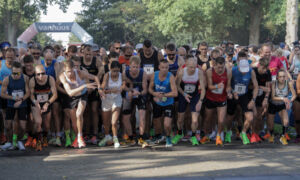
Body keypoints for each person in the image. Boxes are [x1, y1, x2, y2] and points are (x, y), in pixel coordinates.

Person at [59, 60, 100, 148]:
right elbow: (69, 93)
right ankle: (78, 137)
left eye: (71, 71)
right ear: (64, 70)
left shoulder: (80, 73)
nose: (69, 73)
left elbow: (95, 77)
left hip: (82, 95)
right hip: (72, 97)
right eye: (67, 71)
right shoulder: (62, 77)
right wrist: (84, 86)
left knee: (79, 114)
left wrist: (99, 89)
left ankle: (80, 137)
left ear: (74, 68)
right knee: (74, 121)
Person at [226, 51, 258, 145]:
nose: (244, 72)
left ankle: (243, 133)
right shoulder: (233, 70)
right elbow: (227, 86)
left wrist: (253, 100)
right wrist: (232, 92)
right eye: (242, 70)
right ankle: (228, 131)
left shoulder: (251, 71)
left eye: (245, 70)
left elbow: (256, 87)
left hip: (244, 95)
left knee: (250, 117)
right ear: (238, 65)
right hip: (234, 95)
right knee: (229, 117)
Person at [172, 56, 205, 146]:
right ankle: (179, 133)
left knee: (194, 120)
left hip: (195, 96)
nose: (193, 69)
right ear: (186, 65)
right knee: (180, 119)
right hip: (183, 95)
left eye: (194, 67)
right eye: (191, 67)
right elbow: (177, 86)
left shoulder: (199, 72)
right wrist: (184, 94)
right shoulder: (182, 72)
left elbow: (203, 88)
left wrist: (200, 101)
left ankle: (193, 136)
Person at [202, 57, 232, 146]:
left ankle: (218, 136)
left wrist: (229, 92)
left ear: (224, 65)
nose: (220, 69)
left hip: (222, 98)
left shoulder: (228, 72)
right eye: (218, 67)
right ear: (215, 65)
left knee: (221, 120)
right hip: (210, 98)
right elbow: (209, 86)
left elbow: (228, 86)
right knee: (208, 119)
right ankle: (207, 135)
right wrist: (217, 87)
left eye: (222, 67)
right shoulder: (209, 71)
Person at [0, 62, 30, 150]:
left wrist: (20, 100)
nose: (16, 75)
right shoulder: (7, 79)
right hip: (10, 104)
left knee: (23, 126)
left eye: (18, 73)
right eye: (14, 73)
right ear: (11, 72)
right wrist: (13, 97)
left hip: (22, 104)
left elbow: (28, 92)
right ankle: (9, 142)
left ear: (21, 72)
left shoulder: (25, 78)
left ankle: (19, 141)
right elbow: (2, 94)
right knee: (8, 125)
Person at [149, 59, 178, 147]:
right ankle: (159, 136)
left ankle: (168, 137)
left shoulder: (171, 76)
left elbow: (175, 93)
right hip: (158, 102)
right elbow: (150, 89)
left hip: (168, 102)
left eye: (166, 67)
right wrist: (155, 94)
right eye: (162, 67)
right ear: (159, 67)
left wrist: (164, 94)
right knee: (157, 124)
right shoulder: (155, 74)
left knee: (167, 124)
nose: (164, 69)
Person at [29, 65, 58, 151]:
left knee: (46, 125)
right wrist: (35, 102)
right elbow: (31, 95)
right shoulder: (32, 81)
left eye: (43, 73)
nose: (41, 76)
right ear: (35, 74)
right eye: (38, 74)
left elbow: (55, 95)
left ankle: (44, 137)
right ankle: (38, 141)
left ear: (45, 72)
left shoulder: (50, 79)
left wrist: (47, 103)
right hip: (36, 103)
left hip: (47, 103)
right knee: (38, 122)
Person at [122, 56, 148, 147]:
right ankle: (130, 138)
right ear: (129, 66)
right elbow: (123, 86)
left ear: (139, 66)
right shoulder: (125, 73)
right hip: (129, 95)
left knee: (142, 117)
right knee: (125, 118)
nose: (135, 69)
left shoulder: (143, 73)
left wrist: (139, 93)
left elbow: (145, 90)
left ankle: (141, 138)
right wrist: (130, 91)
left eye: (137, 67)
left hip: (140, 95)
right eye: (133, 67)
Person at [98, 61, 125, 149]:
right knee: (106, 123)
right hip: (107, 99)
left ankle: (115, 138)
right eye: (114, 71)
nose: (115, 73)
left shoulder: (122, 75)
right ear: (110, 69)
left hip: (117, 99)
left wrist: (122, 88)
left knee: (114, 122)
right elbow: (102, 87)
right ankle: (107, 137)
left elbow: (124, 85)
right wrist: (103, 90)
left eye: (117, 71)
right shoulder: (107, 75)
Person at [80, 44, 103, 144]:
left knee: (94, 110)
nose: (88, 56)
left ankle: (95, 133)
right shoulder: (80, 61)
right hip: (84, 88)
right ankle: (86, 133)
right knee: (86, 111)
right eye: (86, 54)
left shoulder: (96, 60)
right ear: (83, 53)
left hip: (94, 88)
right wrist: (86, 85)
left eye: (90, 54)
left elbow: (101, 72)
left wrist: (94, 84)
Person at [266, 70, 296, 145]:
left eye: (283, 76)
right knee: (270, 124)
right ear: (277, 77)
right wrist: (283, 98)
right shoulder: (274, 83)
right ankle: (271, 135)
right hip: (273, 104)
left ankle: (283, 136)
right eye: (280, 77)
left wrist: (289, 101)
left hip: (281, 105)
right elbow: (273, 97)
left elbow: (294, 95)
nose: (282, 78)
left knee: (286, 121)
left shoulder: (288, 83)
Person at [250, 58, 271, 143]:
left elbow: (268, 88)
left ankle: (256, 134)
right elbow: (250, 86)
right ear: (259, 65)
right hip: (252, 96)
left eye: (266, 68)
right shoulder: (253, 71)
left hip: (261, 97)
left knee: (260, 116)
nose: (265, 70)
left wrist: (266, 99)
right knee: (254, 116)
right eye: (263, 68)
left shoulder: (267, 72)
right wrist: (261, 87)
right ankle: (252, 134)